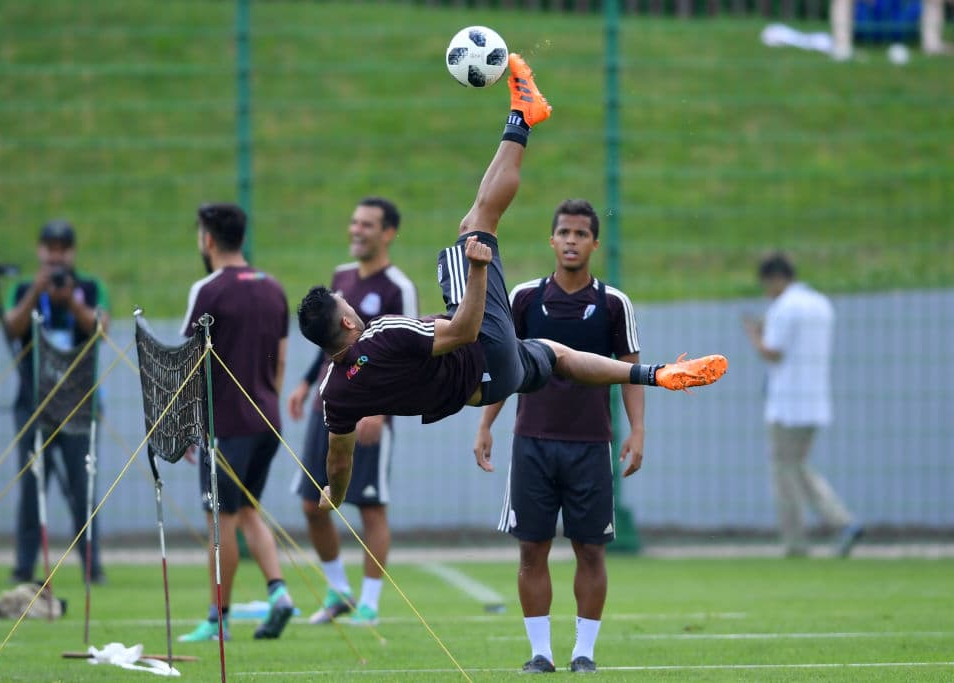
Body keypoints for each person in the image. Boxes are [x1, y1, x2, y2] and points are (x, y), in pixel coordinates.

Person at [296, 54, 728, 517]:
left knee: (556, 353)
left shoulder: (334, 393)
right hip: (481, 348)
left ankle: (656, 374)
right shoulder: (383, 336)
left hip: (490, 385)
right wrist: (478, 269)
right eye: (348, 305)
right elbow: (462, 331)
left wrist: (334, 495)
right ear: (346, 319)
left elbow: (338, 458)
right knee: (478, 221)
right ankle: (523, 113)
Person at [472, 198, 642, 674]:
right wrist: (486, 424)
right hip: (533, 442)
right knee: (532, 547)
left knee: (590, 549)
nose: (571, 241)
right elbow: (506, 367)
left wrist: (638, 432)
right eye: (563, 232)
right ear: (551, 240)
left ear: (594, 243)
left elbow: (630, 372)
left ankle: (584, 653)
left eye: (581, 234)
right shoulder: (525, 298)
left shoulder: (613, 303)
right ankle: (540, 652)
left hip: (591, 445)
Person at [287, 198, 417, 627]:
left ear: (388, 233)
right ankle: (338, 589)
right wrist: (307, 383)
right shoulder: (341, 279)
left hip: (372, 411)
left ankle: (371, 604)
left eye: (367, 224)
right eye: (354, 222)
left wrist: (378, 410)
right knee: (312, 502)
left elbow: (412, 348)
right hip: (332, 404)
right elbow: (328, 341)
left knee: (369, 507)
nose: (356, 230)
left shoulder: (398, 285)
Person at [177, 203, 295, 642]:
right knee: (248, 511)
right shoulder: (273, 288)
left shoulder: (208, 290)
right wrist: (269, 405)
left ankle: (217, 618)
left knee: (220, 519)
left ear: (207, 239)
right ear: (241, 238)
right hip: (269, 420)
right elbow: (280, 359)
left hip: (227, 426)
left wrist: (191, 425)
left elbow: (188, 364)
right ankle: (279, 593)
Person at [4, 219, 109, 585]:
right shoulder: (22, 290)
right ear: (40, 251)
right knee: (33, 490)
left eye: (63, 248)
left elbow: (101, 328)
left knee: (83, 489)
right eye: (50, 247)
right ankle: (24, 568)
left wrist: (72, 303)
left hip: (79, 406)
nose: (56, 255)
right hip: (33, 406)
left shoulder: (89, 288)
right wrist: (37, 292)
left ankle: (92, 567)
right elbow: (11, 327)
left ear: (72, 252)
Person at [743, 252, 862, 558]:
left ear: (774, 279)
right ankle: (841, 523)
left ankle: (799, 540)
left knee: (784, 472)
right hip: (815, 401)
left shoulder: (784, 308)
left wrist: (754, 335)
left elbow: (773, 352)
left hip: (786, 404)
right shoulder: (820, 303)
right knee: (796, 466)